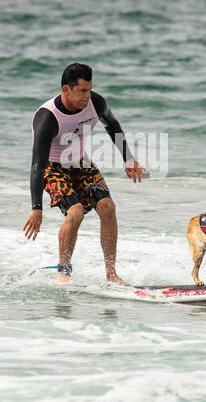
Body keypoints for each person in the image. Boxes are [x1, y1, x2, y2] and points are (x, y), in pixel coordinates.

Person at [22, 63, 146, 284]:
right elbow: (37, 164)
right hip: (52, 166)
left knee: (108, 207)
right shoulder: (48, 118)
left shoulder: (95, 103)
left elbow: (113, 126)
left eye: (89, 89)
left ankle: (111, 274)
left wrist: (128, 158)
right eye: (82, 91)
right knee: (76, 211)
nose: (88, 96)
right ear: (66, 89)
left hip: (80, 161)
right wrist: (36, 208)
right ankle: (64, 272)